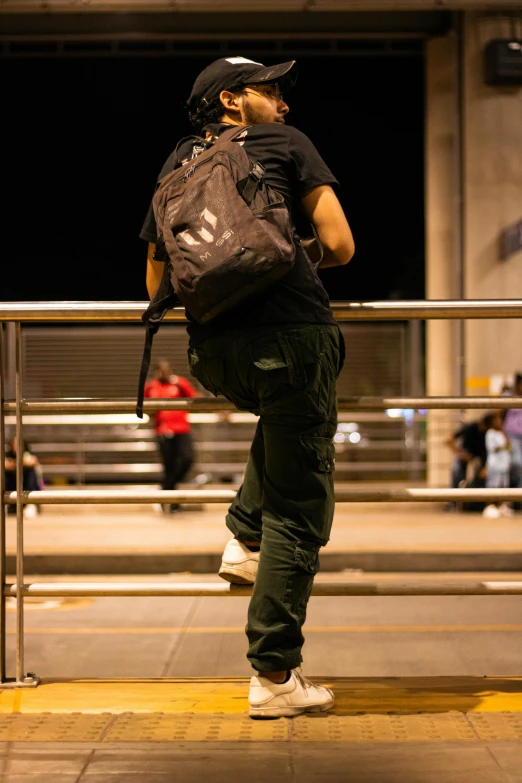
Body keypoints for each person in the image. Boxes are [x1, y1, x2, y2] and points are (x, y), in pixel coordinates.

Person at [140, 57, 354, 717]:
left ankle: (241, 533)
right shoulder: (287, 146)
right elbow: (341, 244)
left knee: (282, 430)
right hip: (291, 337)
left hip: (214, 354)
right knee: (299, 507)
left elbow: (155, 286)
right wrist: (287, 255)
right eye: (271, 90)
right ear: (231, 99)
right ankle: (274, 674)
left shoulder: (177, 161)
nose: (284, 104)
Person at [144, 360, 198, 514]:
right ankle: (173, 504)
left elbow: (195, 398)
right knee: (169, 466)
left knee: (187, 459)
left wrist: (179, 384)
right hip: (163, 431)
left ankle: (164, 491)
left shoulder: (179, 383)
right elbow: (146, 407)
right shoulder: (151, 386)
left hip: (181, 429)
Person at [444, 414, 489, 510]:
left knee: (480, 475)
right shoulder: (470, 427)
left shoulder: (488, 433)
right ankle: (453, 501)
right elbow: (448, 440)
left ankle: (475, 501)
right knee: (456, 471)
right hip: (465, 455)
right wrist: (460, 453)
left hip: (479, 458)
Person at [482, 410, 512, 518]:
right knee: (493, 486)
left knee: (503, 486)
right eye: (497, 420)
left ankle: (501, 506)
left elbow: (508, 446)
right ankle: (490, 506)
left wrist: (504, 433)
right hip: (494, 464)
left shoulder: (502, 433)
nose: (499, 422)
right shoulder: (490, 433)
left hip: (504, 464)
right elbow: (493, 448)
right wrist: (503, 445)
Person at [4, 437, 43, 518]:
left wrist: (14, 464)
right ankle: (5, 503)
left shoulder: (27, 454)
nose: (16, 446)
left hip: (26, 487)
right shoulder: (8, 455)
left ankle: (31, 503)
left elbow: (32, 461)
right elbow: (5, 465)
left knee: (31, 471)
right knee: (5, 474)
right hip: (13, 487)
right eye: (15, 444)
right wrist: (20, 464)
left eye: (19, 444)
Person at [503, 372, 522, 497]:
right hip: (512, 436)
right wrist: (502, 434)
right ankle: (515, 494)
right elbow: (497, 414)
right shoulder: (508, 396)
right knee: (517, 463)